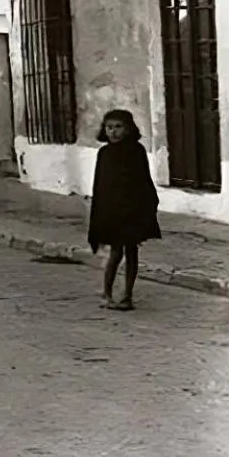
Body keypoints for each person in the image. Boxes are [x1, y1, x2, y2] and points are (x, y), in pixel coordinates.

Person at [88, 108, 161, 311]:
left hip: (132, 209)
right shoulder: (104, 153)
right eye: (109, 127)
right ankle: (107, 293)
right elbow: (100, 186)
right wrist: (100, 213)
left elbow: (143, 181)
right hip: (112, 210)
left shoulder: (137, 151)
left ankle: (127, 295)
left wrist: (148, 206)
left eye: (118, 127)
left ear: (128, 129)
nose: (113, 132)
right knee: (115, 252)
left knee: (132, 252)